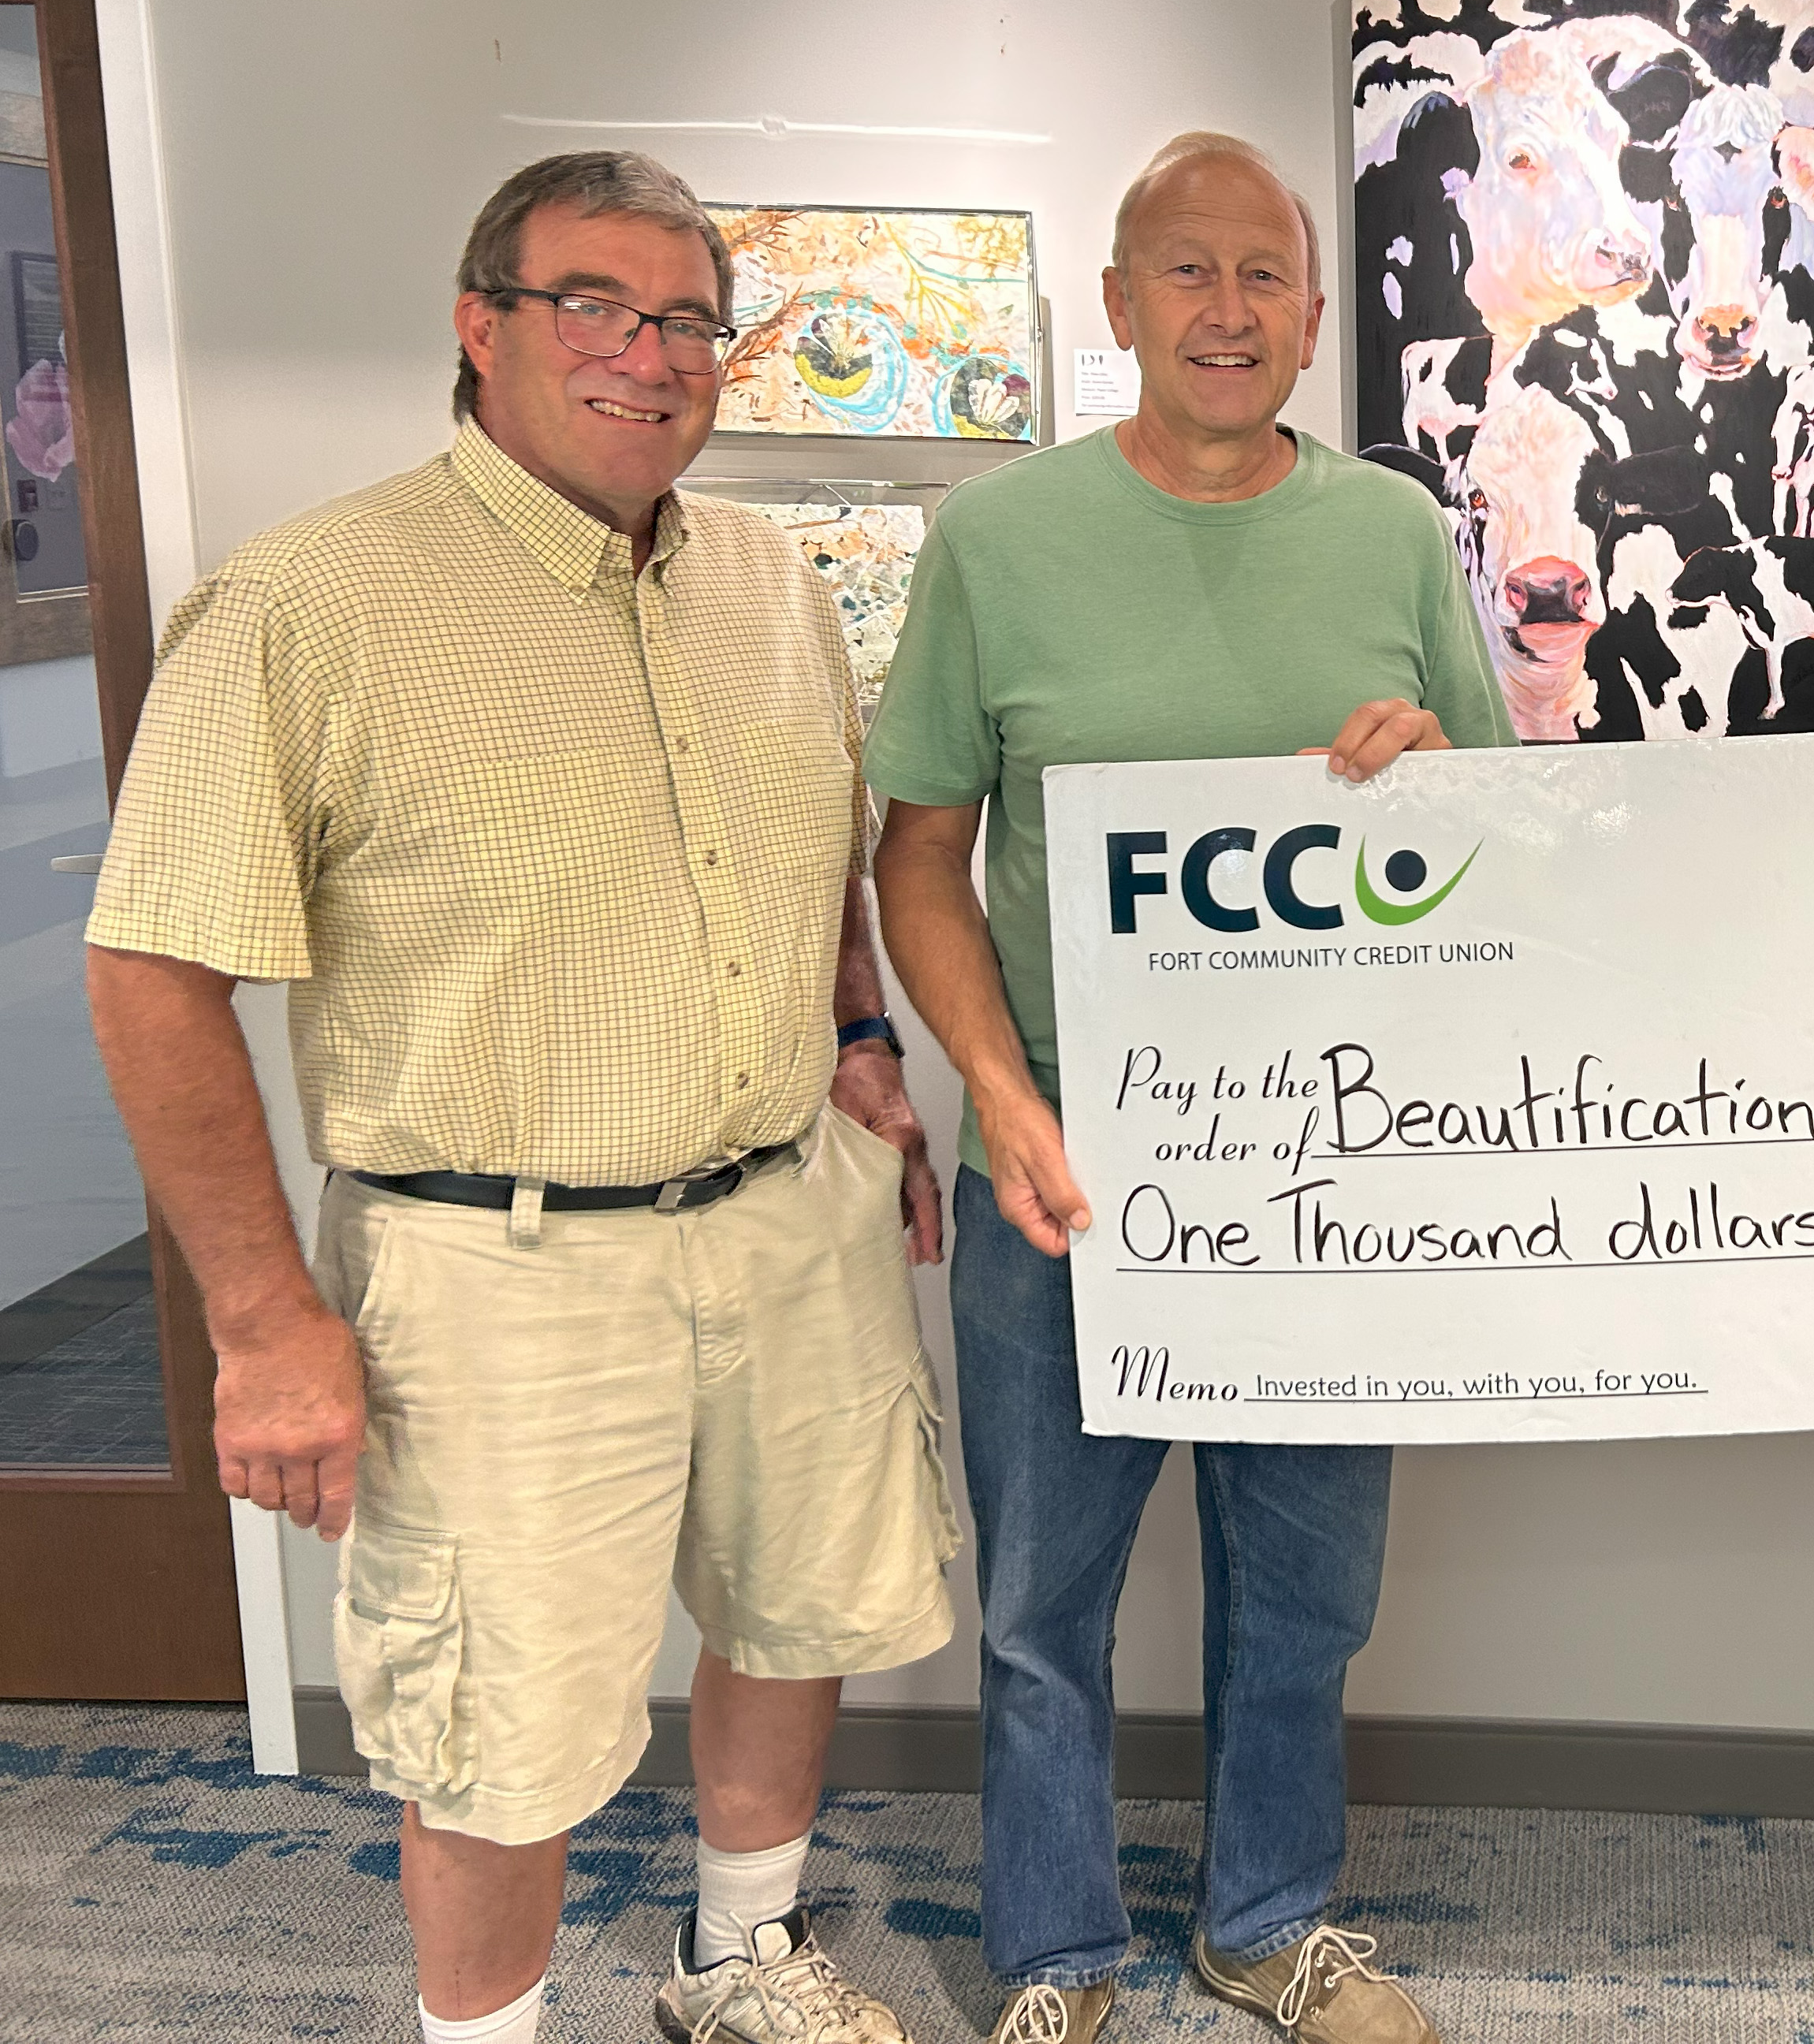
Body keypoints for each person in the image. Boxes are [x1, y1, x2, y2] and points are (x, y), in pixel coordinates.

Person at [85, 151, 959, 2044]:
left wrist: (864, 1052)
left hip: (782, 1212)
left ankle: (738, 1960)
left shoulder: (769, 586)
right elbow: (151, 975)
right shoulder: (309, 603)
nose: (649, 355)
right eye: (596, 307)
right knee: (499, 1727)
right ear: (481, 328)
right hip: (495, 1267)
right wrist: (261, 1323)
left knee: (789, 1611)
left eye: (687, 320)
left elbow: (811, 863)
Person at [866, 131, 1510, 2044]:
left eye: (1264, 277)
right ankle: (1057, 1959)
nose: (1227, 311)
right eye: (1187, 272)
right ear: (1119, 303)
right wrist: (1000, 1094)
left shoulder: (1395, 530)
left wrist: (1438, 778)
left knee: (1303, 1595)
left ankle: (1268, 1921)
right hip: (1059, 1166)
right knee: (1041, 1611)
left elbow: (1514, 844)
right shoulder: (1000, 542)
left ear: (1315, 316)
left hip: (1326, 1173)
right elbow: (919, 854)